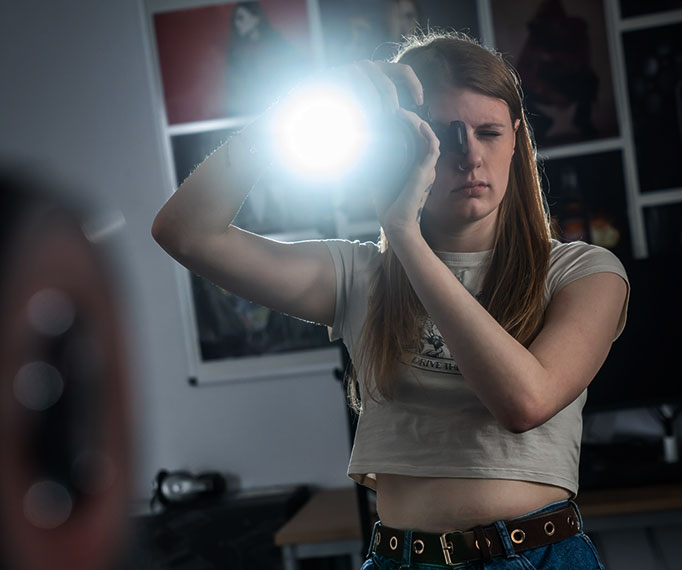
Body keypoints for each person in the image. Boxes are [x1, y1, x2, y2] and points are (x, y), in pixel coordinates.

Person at [152, 32, 629, 570]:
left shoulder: (581, 271)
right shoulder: (360, 276)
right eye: (446, 138)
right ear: (403, 145)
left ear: (517, 138)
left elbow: (525, 403)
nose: (470, 155)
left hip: (535, 557)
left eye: (489, 132)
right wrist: (286, 114)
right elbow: (185, 233)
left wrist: (405, 234)